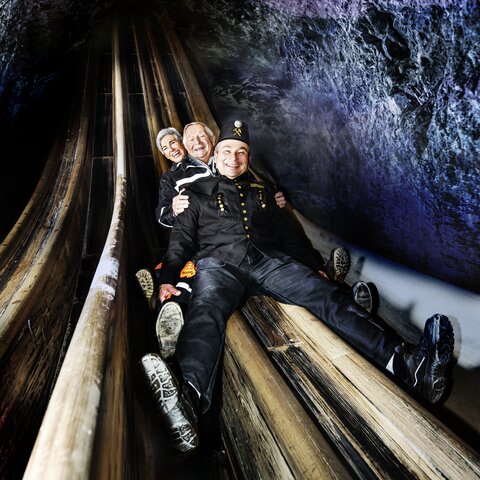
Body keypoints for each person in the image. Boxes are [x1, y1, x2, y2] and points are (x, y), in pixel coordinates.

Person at [139, 119, 455, 453]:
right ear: (216, 154)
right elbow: (180, 244)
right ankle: (188, 401)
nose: (234, 158)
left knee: (327, 296)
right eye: (228, 151)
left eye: (242, 152)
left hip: (268, 262)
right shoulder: (194, 193)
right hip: (219, 265)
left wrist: (317, 268)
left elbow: (289, 236)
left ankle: (408, 367)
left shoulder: (262, 193)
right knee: (206, 312)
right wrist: (167, 282)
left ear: (248, 158)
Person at [137, 124, 357, 354]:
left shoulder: (227, 159)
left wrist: (274, 196)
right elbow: (164, 218)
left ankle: (332, 284)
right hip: (202, 241)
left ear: (213, 142)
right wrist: (174, 209)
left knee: (278, 243)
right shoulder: (174, 177)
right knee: (190, 276)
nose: (197, 142)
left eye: (202, 136)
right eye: (190, 139)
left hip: (246, 241)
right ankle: (170, 320)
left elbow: (255, 191)